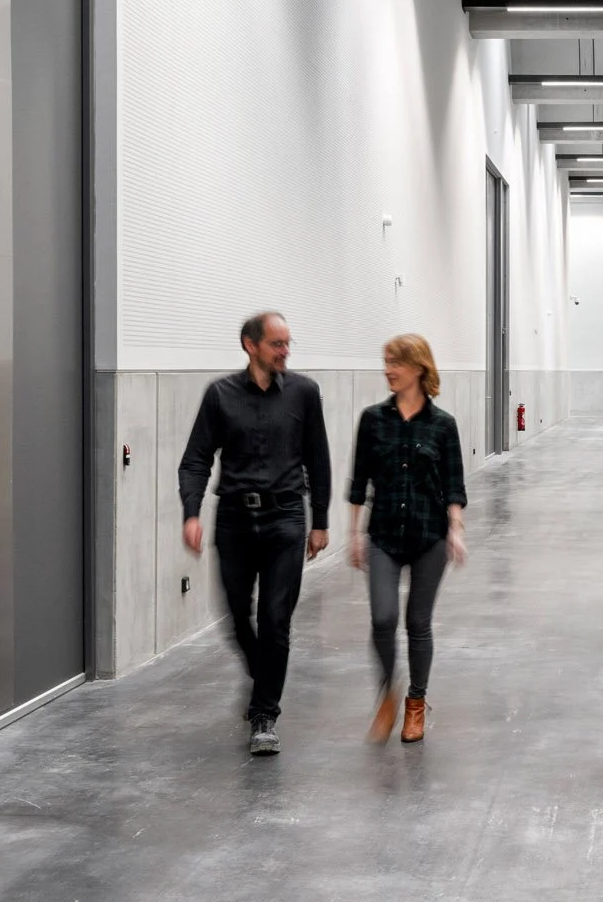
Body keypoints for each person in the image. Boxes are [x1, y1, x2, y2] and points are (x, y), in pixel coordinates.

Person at [178, 310, 331, 756]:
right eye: (277, 344)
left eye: (288, 344)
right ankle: (262, 673)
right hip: (235, 521)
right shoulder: (220, 395)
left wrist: (319, 521)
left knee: (276, 620)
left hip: (286, 517)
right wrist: (192, 512)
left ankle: (265, 714)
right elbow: (195, 459)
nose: (285, 352)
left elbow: (318, 460)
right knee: (237, 618)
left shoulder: (304, 393)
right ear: (251, 345)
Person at [347, 333, 467, 744]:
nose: (388, 370)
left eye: (395, 362)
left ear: (418, 368)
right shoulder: (372, 419)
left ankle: (416, 704)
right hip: (382, 534)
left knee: (418, 623)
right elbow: (358, 480)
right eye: (385, 361)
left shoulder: (443, 425)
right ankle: (387, 694)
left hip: (429, 535)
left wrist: (456, 530)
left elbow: (454, 484)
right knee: (382, 619)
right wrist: (353, 533)